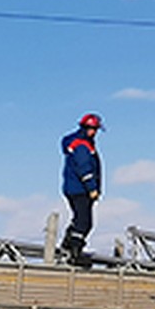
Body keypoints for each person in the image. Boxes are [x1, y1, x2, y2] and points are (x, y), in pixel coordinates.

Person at [60, 113, 103, 268]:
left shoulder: (80, 143)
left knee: (79, 219)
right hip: (80, 189)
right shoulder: (82, 145)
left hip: (74, 188)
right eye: (92, 129)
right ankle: (74, 253)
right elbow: (85, 168)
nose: (94, 132)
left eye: (95, 129)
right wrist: (92, 188)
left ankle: (67, 245)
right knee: (84, 222)